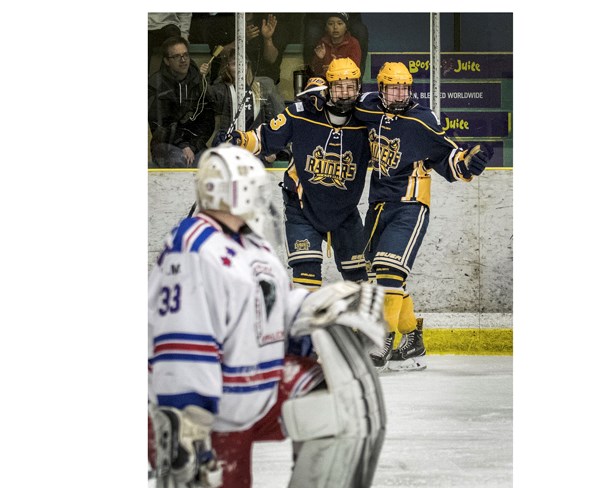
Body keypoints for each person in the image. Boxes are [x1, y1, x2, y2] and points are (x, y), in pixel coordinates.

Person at [148, 144, 388, 488]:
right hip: (201, 408)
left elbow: (270, 307)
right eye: (250, 189)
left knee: (340, 402)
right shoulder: (194, 248)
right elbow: (182, 339)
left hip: (246, 391)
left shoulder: (251, 245)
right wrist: (187, 422)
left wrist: (321, 310)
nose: (258, 198)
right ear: (225, 193)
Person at [354, 62, 492, 372]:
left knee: (389, 271)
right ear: (380, 88)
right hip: (377, 207)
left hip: (410, 206)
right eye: (393, 87)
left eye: (404, 87)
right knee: (377, 278)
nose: (400, 94)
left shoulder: (422, 120)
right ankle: (413, 338)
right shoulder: (367, 108)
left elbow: (449, 156)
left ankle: (381, 340)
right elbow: (342, 105)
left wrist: (468, 163)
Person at [219, 58, 371, 291]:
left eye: (350, 86)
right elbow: (267, 138)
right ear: (329, 88)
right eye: (339, 87)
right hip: (302, 205)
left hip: (345, 211)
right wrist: (240, 140)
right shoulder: (302, 112)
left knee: (359, 280)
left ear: (359, 87)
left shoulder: (367, 119)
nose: (345, 93)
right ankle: (304, 328)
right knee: (306, 279)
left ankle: (364, 327)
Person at [199, 49, 276, 163]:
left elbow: (270, 122)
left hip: (255, 146)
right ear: (227, 67)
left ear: (248, 66)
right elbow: (207, 95)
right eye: (235, 64)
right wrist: (204, 77)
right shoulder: (221, 89)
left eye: (243, 63)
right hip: (230, 146)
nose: (240, 67)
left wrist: (271, 148)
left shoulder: (260, 89)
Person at [148, 36, 215, 168]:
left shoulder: (199, 82)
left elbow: (208, 121)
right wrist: (183, 145)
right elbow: (160, 123)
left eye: (185, 55)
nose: (183, 60)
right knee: (179, 161)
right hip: (166, 144)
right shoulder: (156, 84)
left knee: (213, 165)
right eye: (177, 56)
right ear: (167, 61)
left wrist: (193, 146)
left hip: (194, 144)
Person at [303, 13, 369, 73]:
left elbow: (354, 65)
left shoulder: (353, 43)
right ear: (326, 28)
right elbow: (317, 69)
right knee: (312, 32)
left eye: (339, 24)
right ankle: (307, 76)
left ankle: (358, 81)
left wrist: (336, 67)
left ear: (346, 28)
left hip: (345, 78)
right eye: (331, 24)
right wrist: (319, 58)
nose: (335, 27)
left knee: (361, 31)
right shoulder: (322, 44)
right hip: (321, 15)